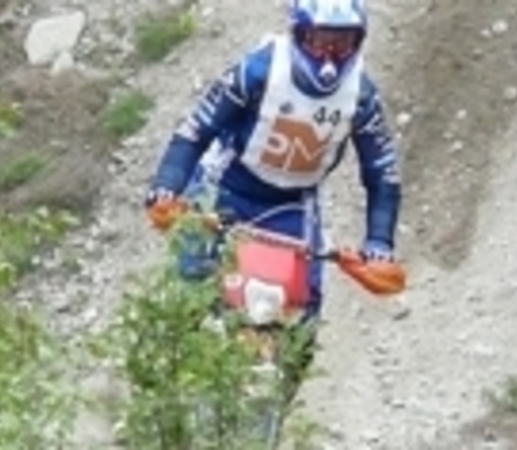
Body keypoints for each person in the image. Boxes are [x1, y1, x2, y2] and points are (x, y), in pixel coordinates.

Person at [145, 0, 402, 325]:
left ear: (359, 41)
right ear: (299, 34)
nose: (330, 57)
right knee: (192, 279)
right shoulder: (257, 71)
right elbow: (196, 129)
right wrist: (167, 187)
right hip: (226, 185)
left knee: (303, 309)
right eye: (321, 41)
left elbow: (383, 174)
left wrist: (379, 244)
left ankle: (286, 373)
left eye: (343, 43)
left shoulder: (362, 98)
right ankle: (177, 353)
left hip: (293, 202)